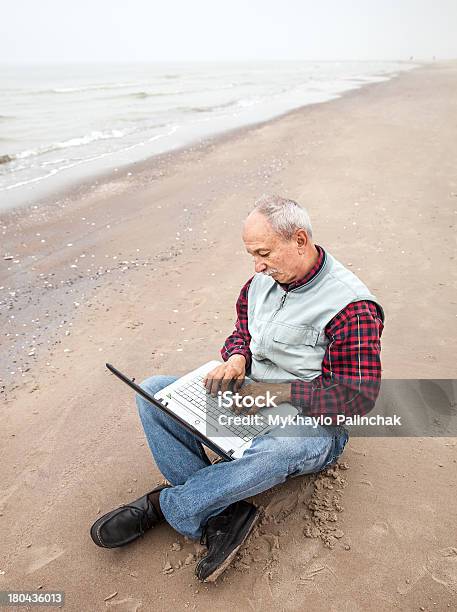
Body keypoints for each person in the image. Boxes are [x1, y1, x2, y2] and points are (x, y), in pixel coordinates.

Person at [90, 195, 384, 582]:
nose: (257, 265)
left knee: (280, 452)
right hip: (247, 395)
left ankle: (168, 507)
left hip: (309, 424)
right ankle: (225, 511)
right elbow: (242, 333)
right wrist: (236, 360)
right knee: (153, 393)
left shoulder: (352, 307)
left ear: (299, 240)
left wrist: (277, 393)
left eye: (264, 253)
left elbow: (357, 399)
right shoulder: (259, 282)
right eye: (252, 254)